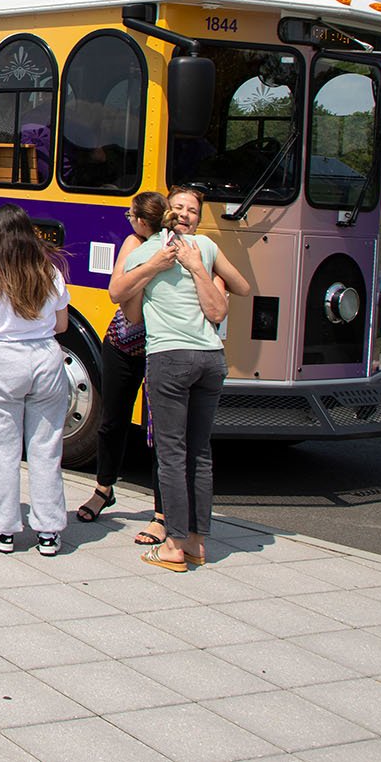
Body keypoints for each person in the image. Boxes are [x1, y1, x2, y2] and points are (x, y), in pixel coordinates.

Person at [111, 186, 250, 571]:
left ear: (146, 219)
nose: (186, 213)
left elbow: (118, 296)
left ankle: (172, 545)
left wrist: (153, 268)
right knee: (200, 453)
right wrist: (200, 270)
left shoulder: (144, 252)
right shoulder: (204, 247)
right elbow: (243, 287)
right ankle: (197, 542)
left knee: (171, 454)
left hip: (170, 358)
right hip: (211, 360)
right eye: (181, 208)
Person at [0, 204, 73, 556]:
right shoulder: (50, 273)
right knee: (46, 449)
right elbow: (61, 325)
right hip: (45, 357)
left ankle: (3, 528)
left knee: (3, 450)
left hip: (4, 360)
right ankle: (48, 530)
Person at [77, 191, 167, 539]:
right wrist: (152, 269)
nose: (128, 219)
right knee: (111, 422)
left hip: (161, 347)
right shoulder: (133, 243)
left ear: (144, 220)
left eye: (131, 215)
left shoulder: (179, 248)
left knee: (161, 431)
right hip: (122, 343)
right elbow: (120, 294)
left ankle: (161, 512)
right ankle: (104, 489)